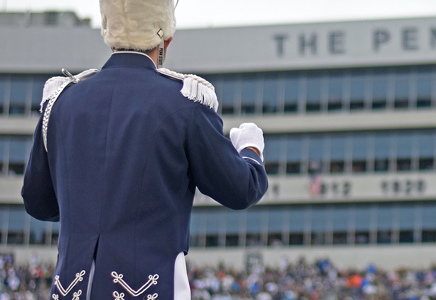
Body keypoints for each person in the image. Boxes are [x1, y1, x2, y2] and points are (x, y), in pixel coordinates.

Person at [20, 0, 268, 299]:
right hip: (148, 288)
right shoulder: (185, 102)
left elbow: (38, 203)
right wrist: (250, 149)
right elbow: (240, 190)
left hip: (70, 289)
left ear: (108, 31)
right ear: (166, 40)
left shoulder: (61, 101)